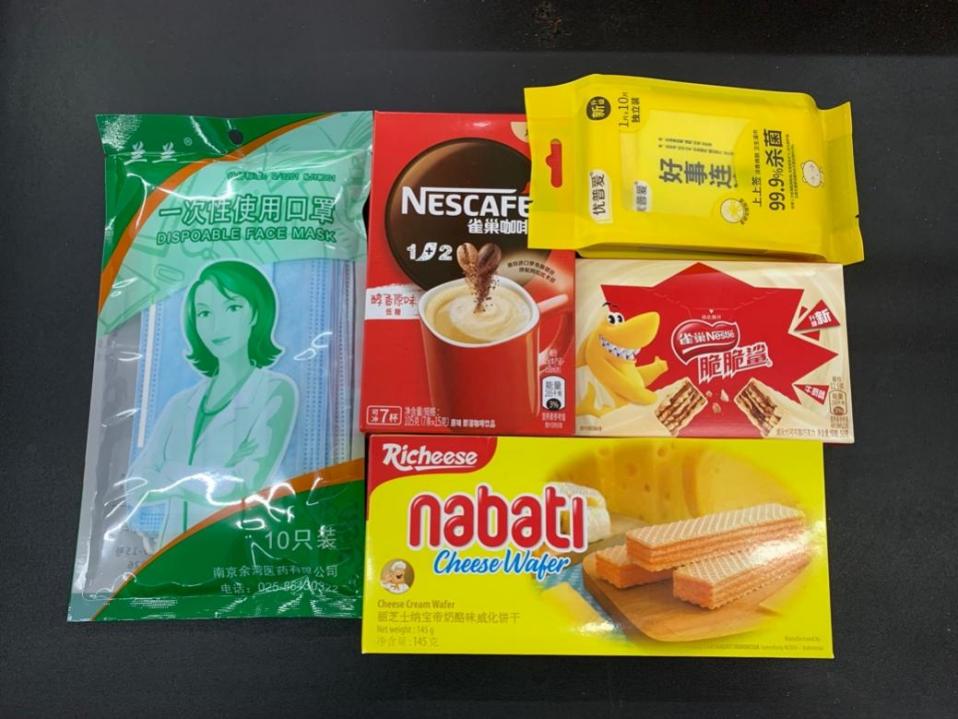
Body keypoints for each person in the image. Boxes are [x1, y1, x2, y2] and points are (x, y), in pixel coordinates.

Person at [119, 260, 298, 548]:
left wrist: (168, 473)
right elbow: (136, 485)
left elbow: (245, 482)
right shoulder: (180, 404)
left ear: (256, 313)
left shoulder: (275, 391)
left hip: (237, 550)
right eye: (204, 313)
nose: (217, 325)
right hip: (170, 553)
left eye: (233, 308)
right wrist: (217, 472)